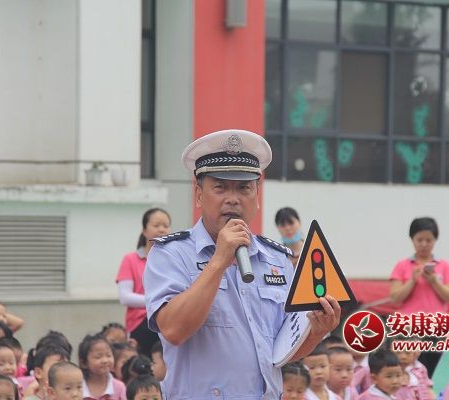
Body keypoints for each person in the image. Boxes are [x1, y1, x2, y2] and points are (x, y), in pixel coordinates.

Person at [144, 129, 341, 399]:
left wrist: (316, 332)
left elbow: (280, 351)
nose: (233, 198)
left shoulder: (277, 258)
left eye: (244, 187)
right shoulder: (171, 253)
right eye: (220, 187)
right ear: (199, 194)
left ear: (256, 195)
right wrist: (218, 261)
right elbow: (173, 330)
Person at [389, 217, 449, 376]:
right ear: (412, 239)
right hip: (409, 330)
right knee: (409, 371)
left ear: (435, 240)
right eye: (420, 240)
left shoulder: (444, 266)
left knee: (431, 372)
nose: (424, 244)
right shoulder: (402, 265)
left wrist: (434, 281)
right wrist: (412, 280)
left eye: (429, 240)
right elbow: (395, 298)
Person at [117, 208, 172, 357]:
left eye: (166, 225)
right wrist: (157, 302)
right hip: (141, 323)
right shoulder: (130, 259)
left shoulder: (173, 260)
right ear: (144, 230)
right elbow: (125, 297)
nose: (162, 230)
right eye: (156, 225)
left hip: (168, 318)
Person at [78, 333, 126, 400]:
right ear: (84, 363)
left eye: (108, 355)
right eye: (98, 357)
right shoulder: (78, 388)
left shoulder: (119, 387)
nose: (105, 361)